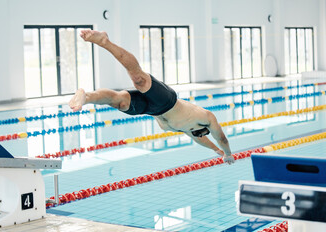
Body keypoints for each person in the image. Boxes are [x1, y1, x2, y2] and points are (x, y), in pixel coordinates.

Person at [69, 30, 235, 164]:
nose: (199, 136)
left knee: (120, 102)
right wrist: (227, 153)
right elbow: (221, 137)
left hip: (150, 109)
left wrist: (217, 151)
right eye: (200, 134)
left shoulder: (189, 130)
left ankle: (87, 97)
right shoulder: (206, 116)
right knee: (139, 79)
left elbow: (203, 141)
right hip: (167, 101)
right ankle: (105, 41)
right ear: (202, 130)